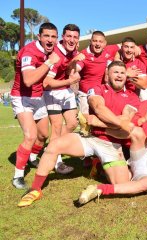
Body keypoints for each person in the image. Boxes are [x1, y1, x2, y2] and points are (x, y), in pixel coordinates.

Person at [17, 61, 140, 207]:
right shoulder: (96, 89)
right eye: (115, 72)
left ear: (126, 76)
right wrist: (112, 122)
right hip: (90, 136)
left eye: (122, 73)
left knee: (122, 184)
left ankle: (98, 166)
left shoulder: (132, 97)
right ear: (108, 75)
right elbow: (99, 108)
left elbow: (125, 124)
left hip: (111, 143)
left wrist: (97, 122)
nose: (119, 76)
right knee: (54, 145)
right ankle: (35, 189)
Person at [10, 22, 59, 189]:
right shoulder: (30, 52)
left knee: (44, 134)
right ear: (39, 37)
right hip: (21, 97)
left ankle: (31, 157)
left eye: (53, 36)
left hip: (38, 97)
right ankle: (18, 175)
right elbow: (28, 80)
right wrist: (49, 63)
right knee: (30, 136)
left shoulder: (51, 51)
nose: (50, 40)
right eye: (46, 36)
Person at [42, 24, 82, 174]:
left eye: (75, 37)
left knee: (72, 123)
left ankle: (53, 146)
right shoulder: (56, 55)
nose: (72, 40)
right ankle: (57, 162)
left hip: (65, 90)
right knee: (57, 127)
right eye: (69, 36)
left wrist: (74, 63)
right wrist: (70, 81)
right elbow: (46, 83)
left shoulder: (73, 51)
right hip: (51, 92)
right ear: (63, 37)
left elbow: (68, 71)